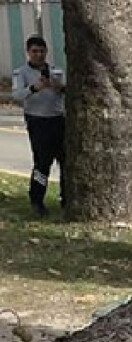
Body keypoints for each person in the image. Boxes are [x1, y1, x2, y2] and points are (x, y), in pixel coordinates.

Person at [11, 35, 67, 217]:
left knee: (65, 161)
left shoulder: (56, 70)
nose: (39, 55)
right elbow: (17, 96)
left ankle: (66, 197)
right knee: (42, 163)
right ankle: (37, 199)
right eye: (35, 51)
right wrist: (34, 88)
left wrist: (59, 86)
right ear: (28, 52)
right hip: (37, 121)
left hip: (58, 118)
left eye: (42, 51)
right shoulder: (21, 73)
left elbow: (67, 90)